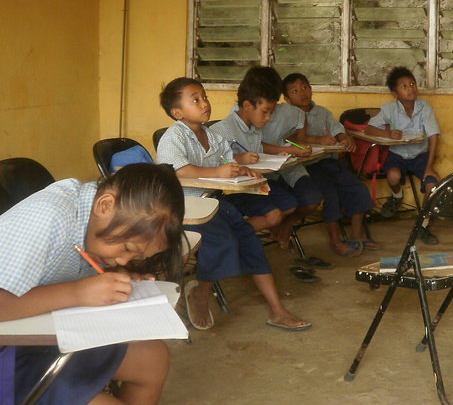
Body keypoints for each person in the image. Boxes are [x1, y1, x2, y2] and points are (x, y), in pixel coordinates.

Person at [0, 163, 184, 405]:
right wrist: (78, 292)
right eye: (128, 247)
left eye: (138, 256)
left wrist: (122, 272)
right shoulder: (50, 216)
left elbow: (74, 267)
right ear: (105, 205)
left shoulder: (92, 217)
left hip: (36, 335)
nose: (127, 258)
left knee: (153, 359)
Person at [156, 76, 312, 331]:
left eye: (204, 97)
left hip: (214, 202)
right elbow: (176, 171)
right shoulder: (174, 137)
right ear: (177, 113)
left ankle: (277, 310)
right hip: (185, 208)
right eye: (195, 100)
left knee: (249, 241)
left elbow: (229, 163)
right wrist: (219, 172)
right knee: (225, 239)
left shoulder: (212, 137)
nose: (204, 103)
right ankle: (200, 293)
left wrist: (242, 171)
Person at [210, 68, 322, 251]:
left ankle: (238, 237)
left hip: (255, 184)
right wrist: (238, 158)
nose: (268, 118)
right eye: (265, 112)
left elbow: (259, 147)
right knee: (275, 214)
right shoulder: (222, 130)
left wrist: (280, 151)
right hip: (234, 191)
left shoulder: (253, 128)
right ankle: (232, 238)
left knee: (290, 204)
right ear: (247, 106)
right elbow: (212, 160)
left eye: (271, 112)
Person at [282, 72, 376, 257]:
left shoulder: (323, 112)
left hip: (330, 163)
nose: (302, 93)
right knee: (331, 195)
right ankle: (335, 241)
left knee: (358, 188)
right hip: (308, 167)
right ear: (287, 98)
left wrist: (344, 139)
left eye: (305, 87)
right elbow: (289, 139)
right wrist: (318, 139)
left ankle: (356, 235)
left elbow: (337, 129)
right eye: (295, 91)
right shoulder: (286, 116)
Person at [363, 66, 442, 244]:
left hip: (420, 156)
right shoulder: (389, 109)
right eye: (404, 86)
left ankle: (423, 225)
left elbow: (434, 136)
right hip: (397, 155)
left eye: (412, 83)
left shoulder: (424, 107)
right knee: (393, 176)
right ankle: (397, 197)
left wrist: (429, 167)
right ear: (394, 93)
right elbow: (369, 128)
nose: (410, 88)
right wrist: (388, 134)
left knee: (433, 187)